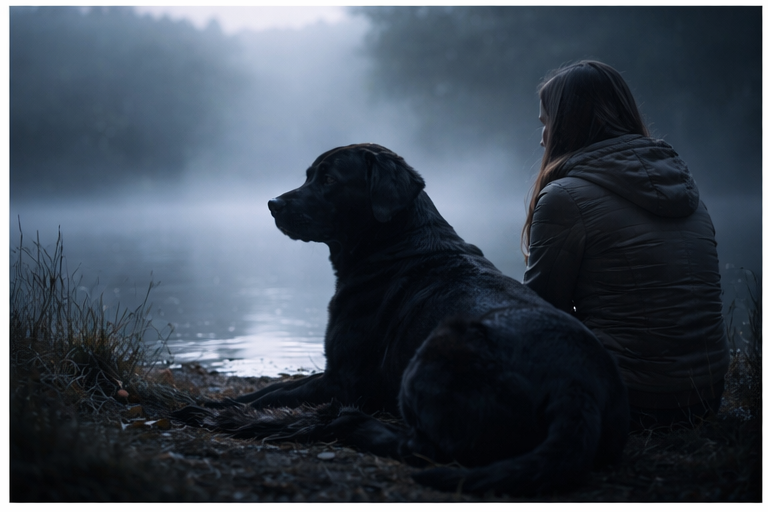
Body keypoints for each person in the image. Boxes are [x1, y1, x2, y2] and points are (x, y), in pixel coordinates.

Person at [522, 60, 729, 431]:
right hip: (705, 396)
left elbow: (539, 314)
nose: (542, 138)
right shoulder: (687, 188)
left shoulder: (565, 197)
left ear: (569, 122)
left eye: (546, 122)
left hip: (628, 400)